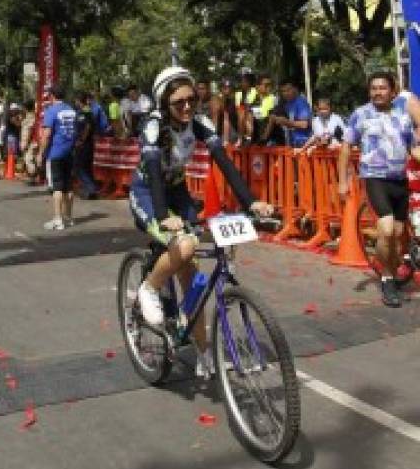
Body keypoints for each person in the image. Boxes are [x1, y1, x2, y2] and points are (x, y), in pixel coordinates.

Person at [129, 66, 273, 378]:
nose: (186, 107)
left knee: (191, 275)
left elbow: (225, 164)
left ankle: (204, 352)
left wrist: (251, 203)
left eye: (191, 99)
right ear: (163, 102)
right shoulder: (154, 126)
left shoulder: (199, 122)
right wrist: (162, 217)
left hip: (178, 191)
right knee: (184, 243)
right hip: (148, 193)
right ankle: (149, 289)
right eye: (178, 102)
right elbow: (153, 172)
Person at [339, 71, 415, 308]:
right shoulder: (360, 115)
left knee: (398, 239)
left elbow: (413, 149)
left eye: (382, 88)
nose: (378, 92)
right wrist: (342, 181)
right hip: (374, 178)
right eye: (374, 88)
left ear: (393, 91)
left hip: (399, 181)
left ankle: (392, 272)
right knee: (387, 228)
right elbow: (345, 148)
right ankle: (387, 279)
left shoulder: (404, 115)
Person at [38, 84, 77, 231]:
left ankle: (57, 219)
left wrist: (41, 153)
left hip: (56, 152)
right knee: (69, 186)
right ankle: (68, 217)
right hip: (70, 151)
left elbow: (47, 134)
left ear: (52, 96)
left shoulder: (51, 111)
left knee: (57, 187)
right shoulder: (72, 110)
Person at [264, 81, 311, 148]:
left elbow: (305, 124)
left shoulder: (301, 102)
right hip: (292, 143)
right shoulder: (287, 104)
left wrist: (287, 122)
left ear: (295, 89)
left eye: (288, 90)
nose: (286, 93)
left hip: (303, 142)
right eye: (283, 91)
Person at [73, 91, 99, 200]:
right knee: (87, 167)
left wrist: (81, 140)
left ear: (79, 101)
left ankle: (91, 188)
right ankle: (90, 189)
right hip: (87, 143)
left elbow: (87, 127)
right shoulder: (82, 112)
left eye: (76, 101)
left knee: (79, 167)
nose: (75, 103)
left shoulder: (85, 112)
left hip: (84, 144)